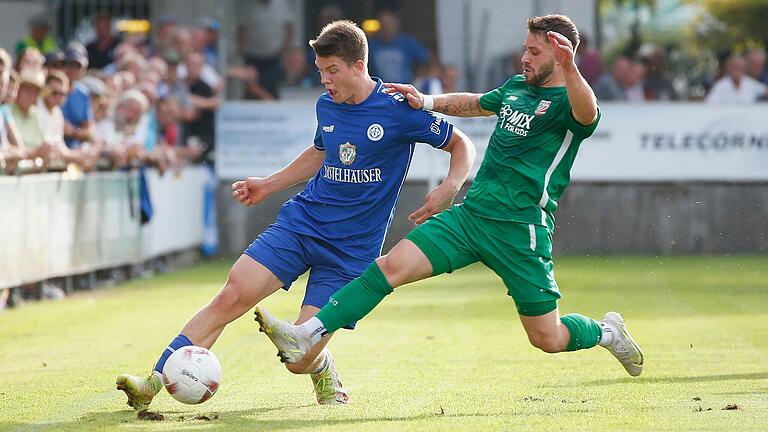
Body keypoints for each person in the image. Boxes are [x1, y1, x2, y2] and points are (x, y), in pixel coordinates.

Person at [253, 15, 645, 383]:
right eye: (524, 49)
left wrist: (572, 67)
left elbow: (588, 111)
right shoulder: (515, 89)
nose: (524, 57)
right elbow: (474, 104)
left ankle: (607, 332)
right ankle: (308, 334)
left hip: (520, 230)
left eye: (535, 52)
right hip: (471, 218)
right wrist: (424, 101)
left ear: (561, 58)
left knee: (548, 337)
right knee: (389, 267)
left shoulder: (570, 104)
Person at [115, 19, 475, 410]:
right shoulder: (327, 105)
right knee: (232, 295)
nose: (325, 80)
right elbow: (321, 153)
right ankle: (151, 383)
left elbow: (461, 144)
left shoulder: (399, 108)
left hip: (351, 251)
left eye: (332, 71)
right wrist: (269, 184)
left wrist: (450, 187)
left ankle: (321, 368)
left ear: (359, 66)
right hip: (303, 224)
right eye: (320, 71)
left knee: (298, 359)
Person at [368, 9, 429, 84]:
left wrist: (419, 77)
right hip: (380, 89)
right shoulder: (371, 45)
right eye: (384, 26)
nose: (387, 29)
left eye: (389, 25)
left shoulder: (407, 42)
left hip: (405, 88)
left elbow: (427, 58)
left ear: (396, 25)